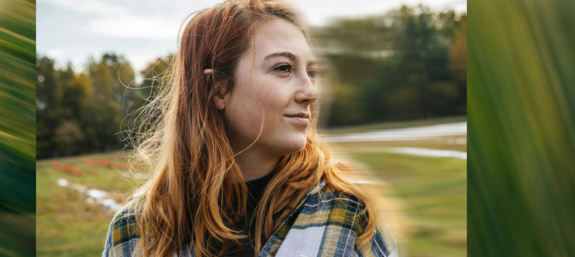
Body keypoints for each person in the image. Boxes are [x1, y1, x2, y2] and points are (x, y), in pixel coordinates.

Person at [102, 0, 398, 256]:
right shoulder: (135, 232)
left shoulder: (346, 213)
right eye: (283, 68)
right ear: (218, 89)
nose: (311, 91)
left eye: (312, 72)